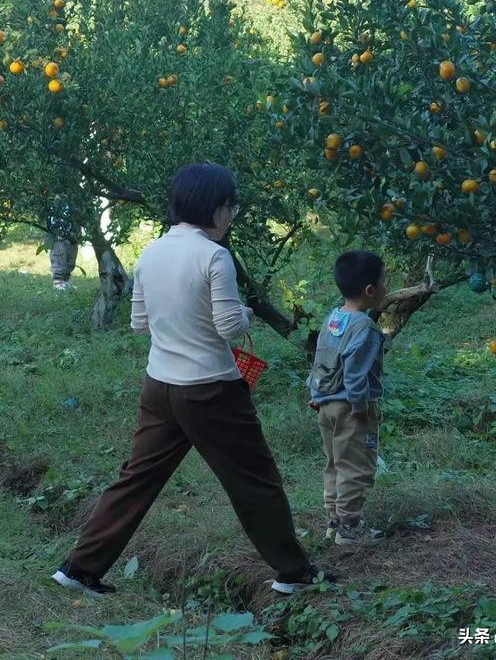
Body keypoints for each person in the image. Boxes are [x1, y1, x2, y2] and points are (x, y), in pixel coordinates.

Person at [52, 162, 327, 596]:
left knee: (136, 477)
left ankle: (79, 568)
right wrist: (248, 314)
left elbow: (140, 323)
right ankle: (294, 572)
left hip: (159, 385)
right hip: (211, 389)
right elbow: (228, 327)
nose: (231, 216)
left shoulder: (151, 253)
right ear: (216, 209)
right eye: (231, 208)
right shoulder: (214, 256)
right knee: (255, 479)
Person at [307, 250, 387, 546]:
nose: (386, 287)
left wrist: (314, 392)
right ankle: (350, 530)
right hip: (349, 408)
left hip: (325, 403)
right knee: (355, 466)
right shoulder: (365, 327)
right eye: (384, 281)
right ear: (370, 291)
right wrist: (360, 407)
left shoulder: (334, 318)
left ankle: (334, 522)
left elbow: (321, 358)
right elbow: (355, 374)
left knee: (335, 463)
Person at [46, 202, 78, 290]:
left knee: (71, 257)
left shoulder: (73, 196)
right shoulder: (56, 199)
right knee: (59, 255)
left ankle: (66, 280)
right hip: (59, 231)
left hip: (72, 230)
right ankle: (58, 282)